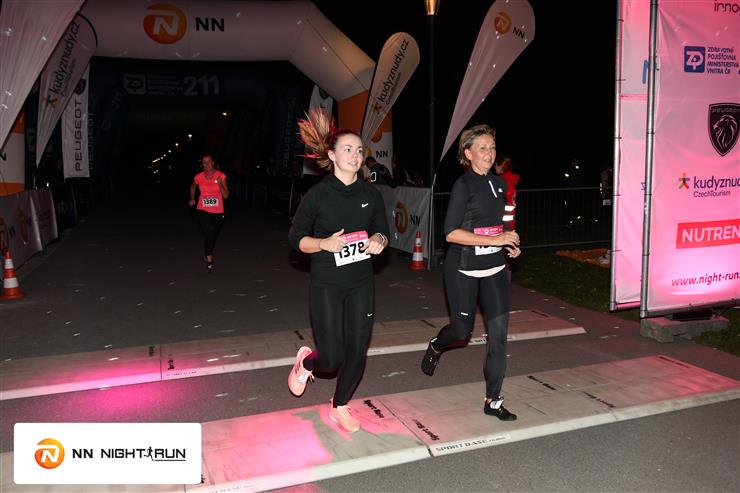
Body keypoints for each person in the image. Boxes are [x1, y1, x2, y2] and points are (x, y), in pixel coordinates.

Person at [287, 108, 390, 433]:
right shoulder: (318, 195)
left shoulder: (370, 194)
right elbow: (295, 239)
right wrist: (323, 244)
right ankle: (306, 362)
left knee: (357, 352)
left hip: (361, 282)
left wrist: (379, 239)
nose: (355, 155)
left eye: (359, 150)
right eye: (348, 149)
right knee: (330, 359)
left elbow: (383, 230)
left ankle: (340, 405)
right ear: (331, 155)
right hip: (327, 283)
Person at [420, 124, 521, 421]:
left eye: (492, 148)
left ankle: (493, 400)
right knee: (461, 332)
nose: (489, 154)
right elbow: (451, 233)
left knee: (498, 337)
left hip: (496, 268)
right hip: (463, 269)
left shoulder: (500, 185)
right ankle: (436, 345)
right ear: (468, 153)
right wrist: (496, 240)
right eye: (482, 148)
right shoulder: (463, 185)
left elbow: (500, 224)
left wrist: (510, 242)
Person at [189, 153, 229, 273]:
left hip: (218, 210)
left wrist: (220, 183)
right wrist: (192, 198)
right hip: (202, 208)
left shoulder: (221, 176)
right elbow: (192, 187)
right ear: (202, 164)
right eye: (204, 162)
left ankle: (208, 251)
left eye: (209, 161)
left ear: (213, 163)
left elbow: (226, 196)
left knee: (213, 235)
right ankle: (209, 260)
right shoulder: (198, 177)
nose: (207, 164)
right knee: (208, 233)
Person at [494, 155, 520, 230]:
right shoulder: (510, 180)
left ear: (501, 166)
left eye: (496, 165)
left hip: (502, 222)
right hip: (510, 220)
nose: (495, 167)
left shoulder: (502, 181)